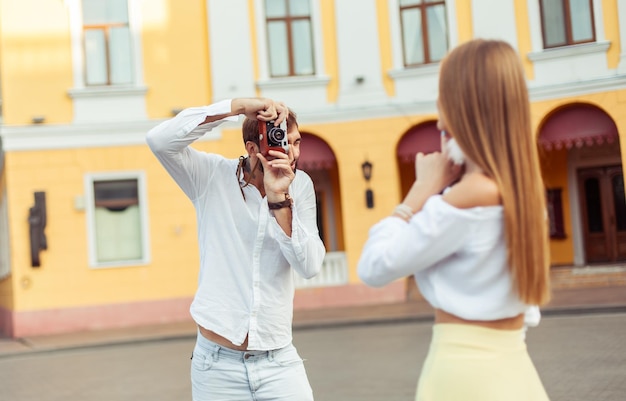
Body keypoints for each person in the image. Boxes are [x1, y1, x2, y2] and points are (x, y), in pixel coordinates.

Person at [357, 39, 551, 401]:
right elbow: (528, 312)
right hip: (513, 365)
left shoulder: (466, 197)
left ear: (461, 106)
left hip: (463, 370)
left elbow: (374, 266)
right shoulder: (523, 192)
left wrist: (419, 193)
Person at [146, 97, 326, 401]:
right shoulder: (211, 177)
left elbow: (309, 266)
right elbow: (159, 141)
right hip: (217, 366)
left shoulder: (300, 186)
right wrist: (237, 107)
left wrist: (279, 200)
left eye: (296, 142)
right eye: (281, 139)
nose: (292, 151)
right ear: (252, 147)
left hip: (278, 361)